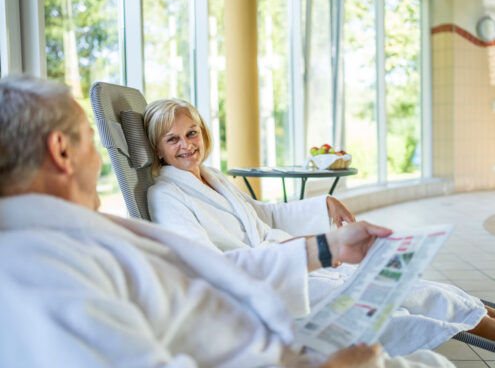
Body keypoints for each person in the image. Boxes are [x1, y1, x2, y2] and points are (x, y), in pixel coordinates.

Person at [0, 77, 457, 367]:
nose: (101, 159)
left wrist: (327, 248)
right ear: (61, 151)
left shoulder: (77, 233)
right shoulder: (38, 276)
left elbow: (209, 268)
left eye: (192, 132)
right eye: (89, 144)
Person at [144, 97, 495, 356]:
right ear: (158, 150)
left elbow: (263, 216)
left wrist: (322, 204)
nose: (187, 145)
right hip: (275, 286)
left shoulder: (212, 178)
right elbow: (207, 266)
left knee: (415, 284)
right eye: (172, 139)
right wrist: (298, 253)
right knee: (405, 299)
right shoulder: (167, 196)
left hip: (296, 266)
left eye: (191, 133)